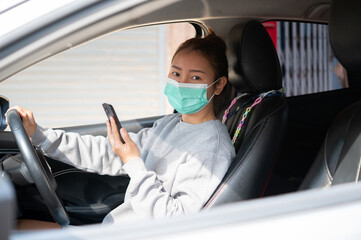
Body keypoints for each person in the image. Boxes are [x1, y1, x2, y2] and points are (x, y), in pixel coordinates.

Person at [9, 31, 235, 228]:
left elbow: (176, 220)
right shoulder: (172, 124)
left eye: (195, 77)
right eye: (176, 74)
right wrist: (40, 135)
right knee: (17, 226)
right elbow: (109, 152)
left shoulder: (210, 148)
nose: (182, 83)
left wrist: (134, 164)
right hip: (116, 229)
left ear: (218, 85)